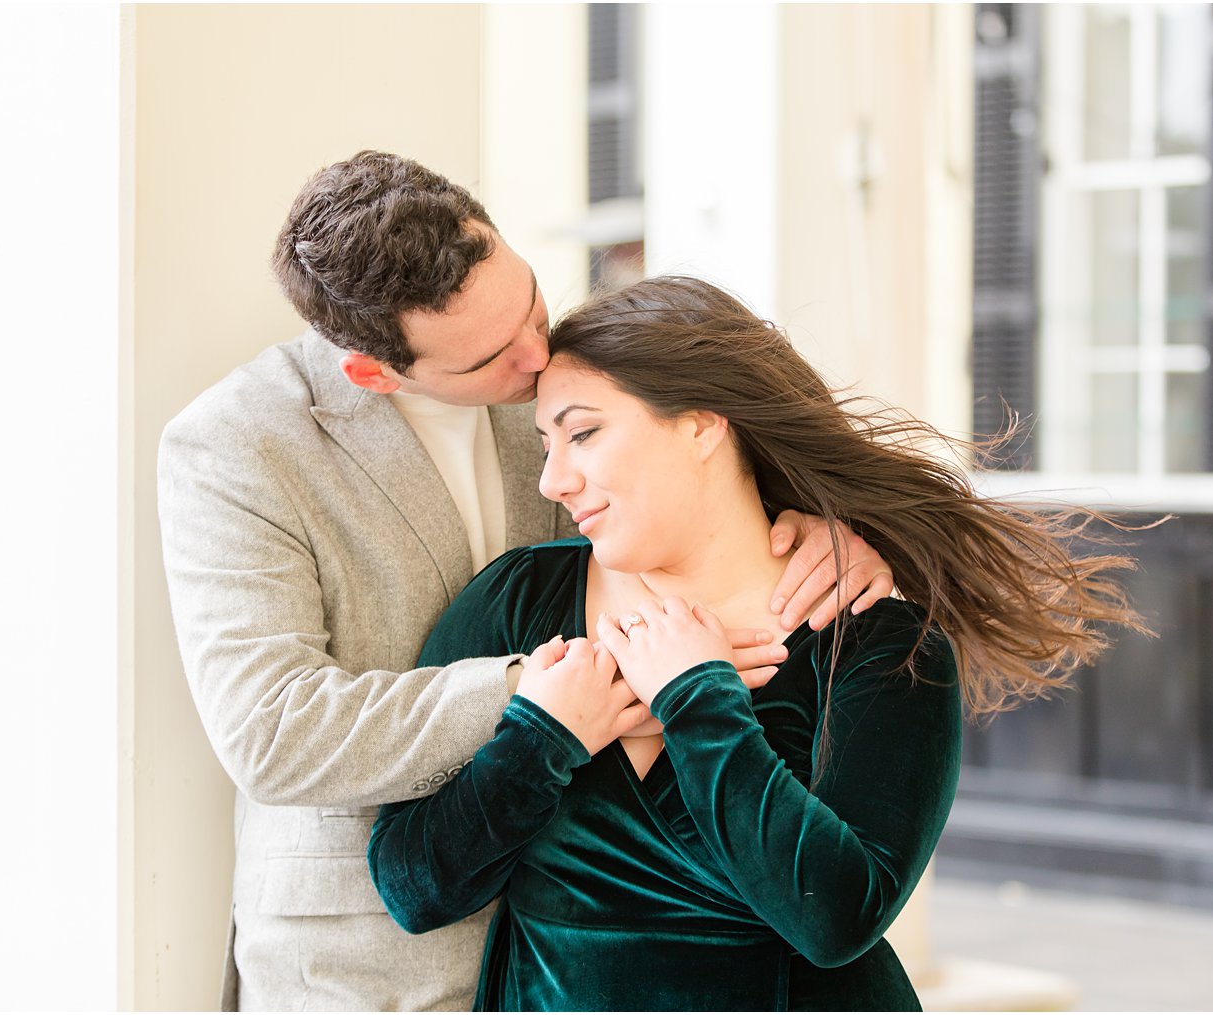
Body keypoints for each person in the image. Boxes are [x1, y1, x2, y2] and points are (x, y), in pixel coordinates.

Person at [156, 152, 894, 1010]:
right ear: (373, 369)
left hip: (568, 933)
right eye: (493, 356)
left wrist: (813, 522)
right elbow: (272, 729)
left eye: (532, 304)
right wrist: (543, 692)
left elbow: (683, 454)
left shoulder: (551, 379)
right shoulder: (237, 443)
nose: (539, 354)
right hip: (371, 955)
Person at [368, 275, 1148, 1011]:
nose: (553, 481)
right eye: (546, 444)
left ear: (703, 422)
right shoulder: (520, 600)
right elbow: (413, 888)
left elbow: (837, 919)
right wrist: (542, 736)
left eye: (585, 435)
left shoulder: (878, 643)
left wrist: (698, 698)